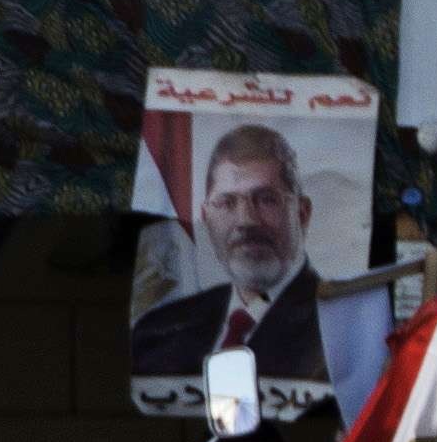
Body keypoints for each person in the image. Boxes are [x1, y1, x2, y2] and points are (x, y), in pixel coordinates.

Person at [125, 120, 338, 398]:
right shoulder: (157, 333)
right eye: (226, 202)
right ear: (206, 218)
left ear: (302, 212)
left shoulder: (340, 327)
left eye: (266, 199)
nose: (246, 221)